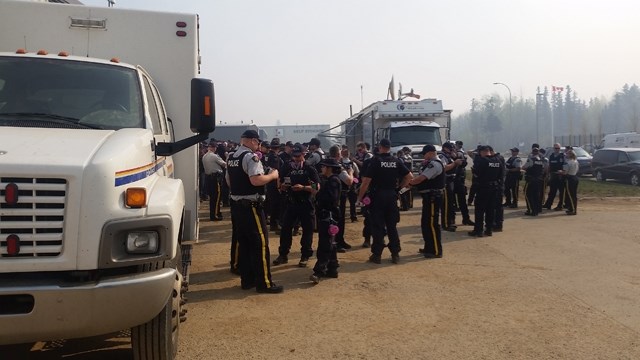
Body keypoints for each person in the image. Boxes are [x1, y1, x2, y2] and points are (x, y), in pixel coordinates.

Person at [225, 130, 283, 294]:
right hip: (251, 206)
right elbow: (256, 180)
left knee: (244, 244)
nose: (258, 145)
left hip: (237, 205)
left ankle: (247, 280)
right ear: (251, 141)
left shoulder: (232, 157)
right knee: (260, 244)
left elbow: (229, 181)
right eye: (257, 142)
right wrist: (272, 175)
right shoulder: (251, 157)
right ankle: (264, 283)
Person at [357, 139, 413, 264]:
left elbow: (366, 182)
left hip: (377, 197)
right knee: (392, 226)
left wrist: (359, 198)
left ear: (380, 147)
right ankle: (395, 254)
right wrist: (399, 190)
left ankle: (377, 255)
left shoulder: (375, 161)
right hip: (392, 196)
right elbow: (409, 177)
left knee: (378, 226)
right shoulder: (396, 161)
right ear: (389, 147)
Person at [273, 144, 320, 267]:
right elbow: (279, 179)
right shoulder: (287, 166)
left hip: (306, 202)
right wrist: (281, 186)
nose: (296, 158)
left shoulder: (309, 168)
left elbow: (317, 187)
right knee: (285, 229)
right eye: (294, 156)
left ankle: (305, 255)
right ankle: (283, 254)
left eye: (298, 156)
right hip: (291, 202)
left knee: (307, 230)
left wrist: (304, 188)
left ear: (304, 154)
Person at [310, 158, 343, 284]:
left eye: (324, 167)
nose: (322, 168)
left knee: (325, 243)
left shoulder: (333, 180)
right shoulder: (326, 180)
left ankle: (319, 270)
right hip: (325, 214)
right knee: (330, 242)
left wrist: (317, 194)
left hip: (329, 215)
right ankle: (332, 267)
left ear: (329, 168)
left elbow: (330, 199)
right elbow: (315, 191)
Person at [409, 144, 445, 258]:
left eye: (424, 154)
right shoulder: (430, 164)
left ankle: (435, 250)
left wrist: (410, 183)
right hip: (428, 197)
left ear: (430, 152)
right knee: (425, 223)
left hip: (433, 197)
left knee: (432, 224)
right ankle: (429, 247)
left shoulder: (434, 164)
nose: (423, 156)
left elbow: (421, 178)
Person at [468, 145, 503, 237]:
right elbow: (501, 175)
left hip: (483, 188)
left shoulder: (482, 160)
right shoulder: (498, 160)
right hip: (494, 188)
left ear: (483, 152)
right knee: (490, 210)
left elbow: (477, 173)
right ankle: (489, 229)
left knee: (479, 210)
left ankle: (478, 230)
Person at [439, 142, 463, 231]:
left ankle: (451, 221)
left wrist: (455, 158)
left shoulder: (449, 156)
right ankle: (445, 224)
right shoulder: (442, 156)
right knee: (446, 203)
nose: (452, 150)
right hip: (446, 181)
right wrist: (455, 163)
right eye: (450, 149)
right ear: (445, 148)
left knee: (451, 203)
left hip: (452, 181)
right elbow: (444, 168)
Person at [202, 141, 226, 221]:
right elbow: (224, 164)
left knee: (213, 198)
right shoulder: (214, 156)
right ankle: (215, 215)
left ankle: (215, 213)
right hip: (215, 179)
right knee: (216, 198)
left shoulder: (204, 156)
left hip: (209, 178)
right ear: (214, 147)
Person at [265, 139, 284, 233]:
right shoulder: (275, 157)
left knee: (272, 204)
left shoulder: (267, 156)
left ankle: (273, 223)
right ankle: (274, 224)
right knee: (276, 204)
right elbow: (275, 171)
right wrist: (279, 185)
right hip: (274, 182)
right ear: (278, 148)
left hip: (268, 181)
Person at [452, 141, 473, 225]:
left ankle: (466, 219)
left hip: (459, 179)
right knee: (452, 201)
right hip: (453, 179)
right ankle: (451, 219)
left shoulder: (460, 153)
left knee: (462, 201)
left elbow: (463, 163)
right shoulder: (448, 156)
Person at [522, 147, 545, 216]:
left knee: (527, 194)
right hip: (539, 180)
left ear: (532, 152)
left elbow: (524, 167)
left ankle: (531, 210)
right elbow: (544, 169)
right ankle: (537, 209)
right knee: (536, 195)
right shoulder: (542, 160)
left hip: (531, 180)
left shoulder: (531, 159)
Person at [544, 143, 566, 210]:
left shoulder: (563, 156)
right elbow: (549, 166)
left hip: (560, 176)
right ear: (553, 148)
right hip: (553, 175)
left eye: (558, 148)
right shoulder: (551, 156)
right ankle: (548, 204)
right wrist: (547, 175)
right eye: (556, 148)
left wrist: (562, 172)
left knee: (561, 192)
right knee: (552, 191)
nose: (557, 150)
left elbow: (565, 166)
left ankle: (560, 205)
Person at [561, 149, 579, 215]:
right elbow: (577, 170)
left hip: (569, 178)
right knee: (573, 194)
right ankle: (572, 208)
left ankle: (573, 210)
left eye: (567, 154)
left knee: (570, 195)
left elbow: (565, 172)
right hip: (575, 177)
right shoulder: (576, 161)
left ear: (569, 155)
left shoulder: (568, 162)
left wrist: (560, 172)